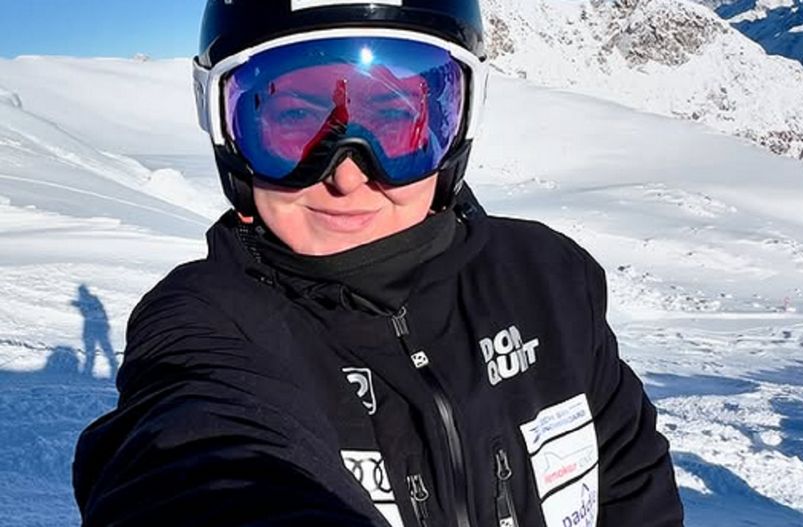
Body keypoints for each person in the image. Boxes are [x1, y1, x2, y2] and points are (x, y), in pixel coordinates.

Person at [72, 1, 684, 525]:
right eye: (295, 121)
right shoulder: (209, 319)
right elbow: (199, 462)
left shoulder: (546, 277)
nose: (345, 175)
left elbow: (631, 482)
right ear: (230, 134)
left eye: (392, 122)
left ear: (453, 128)